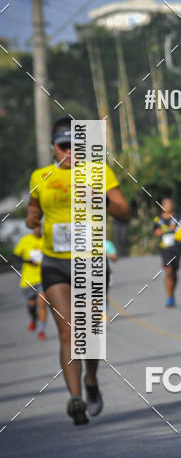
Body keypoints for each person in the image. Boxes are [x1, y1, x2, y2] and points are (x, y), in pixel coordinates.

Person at [26, 116, 130, 426]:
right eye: (63, 146)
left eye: (76, 145)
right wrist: (32, 221)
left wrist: (101, 200)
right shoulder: (40, 176)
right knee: (68, 331)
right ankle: (75, 399)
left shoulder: (99, 172)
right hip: (54, 262)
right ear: (53, 148)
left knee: (90, 333)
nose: (70, 152)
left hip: (92, 261)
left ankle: (91, 380)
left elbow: (124, 212)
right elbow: (33, 211)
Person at [13, 224, 47, 340]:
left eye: (39, 227)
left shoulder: (46, 240)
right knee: (32, 305)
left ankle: (41, 331)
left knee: (42, 304)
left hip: (42, 278)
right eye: (35, 227)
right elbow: (16, 255)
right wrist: (28, 261)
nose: (38, 229)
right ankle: (33, 318)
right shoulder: (25, 240)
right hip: (28, 279)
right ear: (33, 229)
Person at [153, 198, 181, 307]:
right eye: (165, 204)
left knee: (174, 272)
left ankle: (172, 292)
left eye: (170, 204)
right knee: (168, 270)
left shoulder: (178, 217)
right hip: (164, 249)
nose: (167, 206)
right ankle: (169, 296)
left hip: (177, 247)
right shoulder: (158, 219)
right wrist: (161, 231)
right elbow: (155, 232)